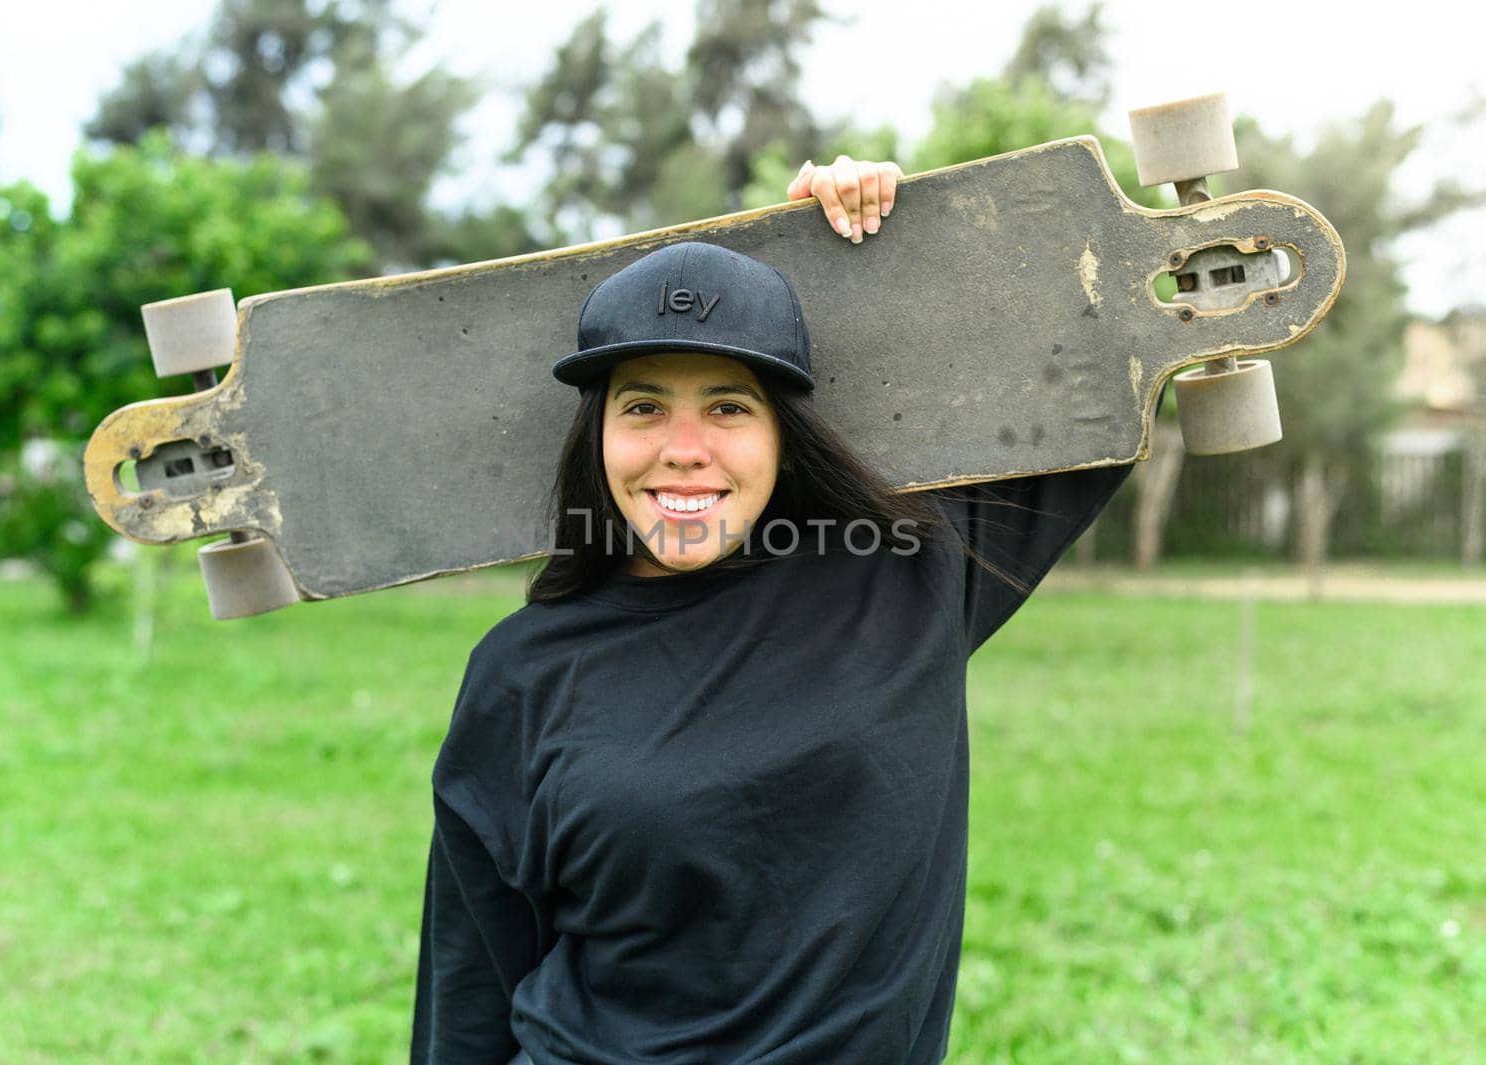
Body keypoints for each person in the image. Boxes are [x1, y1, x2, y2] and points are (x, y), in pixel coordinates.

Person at [410, 157, 1138, 1065]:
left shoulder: (909, 582)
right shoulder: (522, 669)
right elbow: (471, 974)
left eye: (727, 406)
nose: (683, 450)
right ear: (595, 434)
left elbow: (1106, 361)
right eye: (642, 406)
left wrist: (898, 241)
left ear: (783, 437)